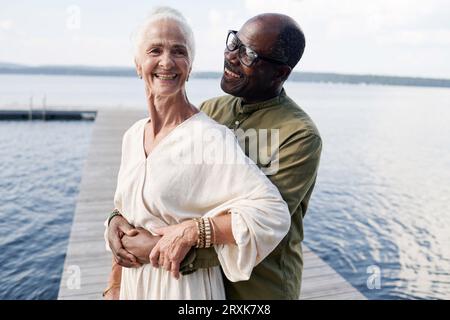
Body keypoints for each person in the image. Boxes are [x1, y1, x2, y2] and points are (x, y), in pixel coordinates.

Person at [102, 7, 291, 300]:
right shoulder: (132, 136)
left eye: (178, 51)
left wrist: (195, 231)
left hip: (182, 288)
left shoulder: (209, 137)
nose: (167, 61)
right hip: (133, 286)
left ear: (189, 66)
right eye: (155, 50)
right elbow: (126, 208)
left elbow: (273, 214)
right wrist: (114, 228)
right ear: (138, 64)